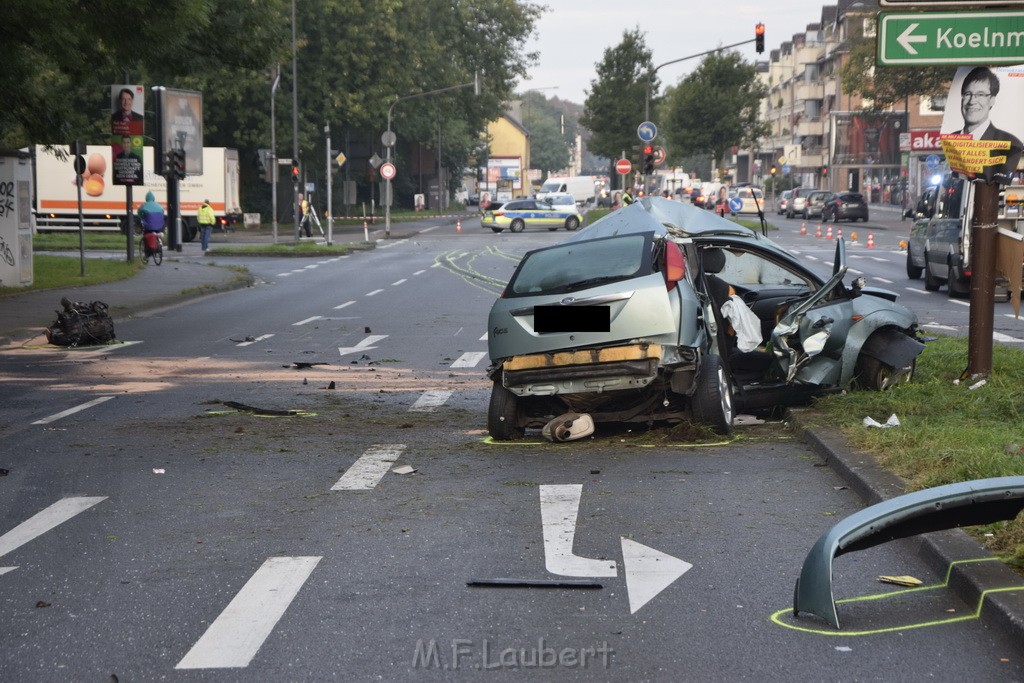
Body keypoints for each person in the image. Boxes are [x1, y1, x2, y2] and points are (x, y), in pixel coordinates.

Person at [955, 67, 1023, 183]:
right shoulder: (951, 139)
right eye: (967, 94)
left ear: (992, 100)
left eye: (980, 95)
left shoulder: (1011, 144)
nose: (972, 101)